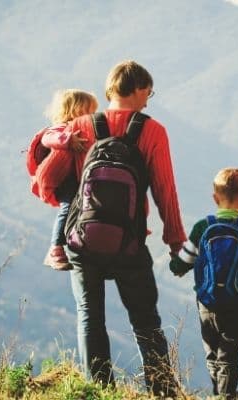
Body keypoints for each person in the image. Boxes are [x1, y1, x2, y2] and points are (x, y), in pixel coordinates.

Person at [49, 60, 186, 397]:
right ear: (138, 89)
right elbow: (164, 190)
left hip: (83, 240)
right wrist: (175, 240)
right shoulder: (153, 131)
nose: (148, 99)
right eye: (148, 92)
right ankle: (162, 390)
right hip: (129, 243)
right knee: (145, 319)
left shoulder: (80, 125)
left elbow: (46, 179)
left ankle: (100, 391)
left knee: (89, 316)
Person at [169, 167, 238, 399]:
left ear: (215, 197)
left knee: (212, 353)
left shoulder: (201, 228)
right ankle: (226, 394)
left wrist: (176, 262)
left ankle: (219, 392)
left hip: (207, 304)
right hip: (237, 303)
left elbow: (180, 265)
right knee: (230, 355)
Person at [34, 89, 97, 270]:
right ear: (75, 111)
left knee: (80, 209)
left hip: (78, 177)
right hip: (64, 178)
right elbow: (48, 139)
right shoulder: (61, 128)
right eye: (89, 112)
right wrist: (67, 140)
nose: (92, 116)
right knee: (68, 207)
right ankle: (55, 249)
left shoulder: (84, 129)